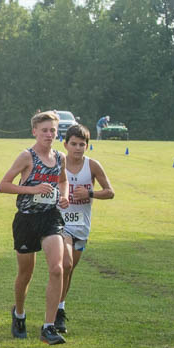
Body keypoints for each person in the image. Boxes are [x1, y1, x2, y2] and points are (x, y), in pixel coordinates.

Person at [0, 111, 70, 346]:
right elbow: (3, 186)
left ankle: (48, 327)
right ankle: (19, 314)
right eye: (45, 130)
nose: (50, 134)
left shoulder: (60, 157)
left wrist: (64, 196)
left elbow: (62, 180)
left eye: (53, 130)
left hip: (50, 217)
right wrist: (33, 189)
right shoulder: (26, 157)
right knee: (25, 273)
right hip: (26, 219)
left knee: (57, 269)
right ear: (35, 132)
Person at [56, 124, 115, 332]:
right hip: (60, 224)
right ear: (65, 144)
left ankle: (60, 308)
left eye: (82, 144)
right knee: (65, 263)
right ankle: (56, 313)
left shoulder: (93, 166)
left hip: (81, 225)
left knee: (69, 270)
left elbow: (110, 192)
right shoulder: (57, 163)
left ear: (87, 146)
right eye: (74, 144)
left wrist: (89, 194)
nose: (78, 148)